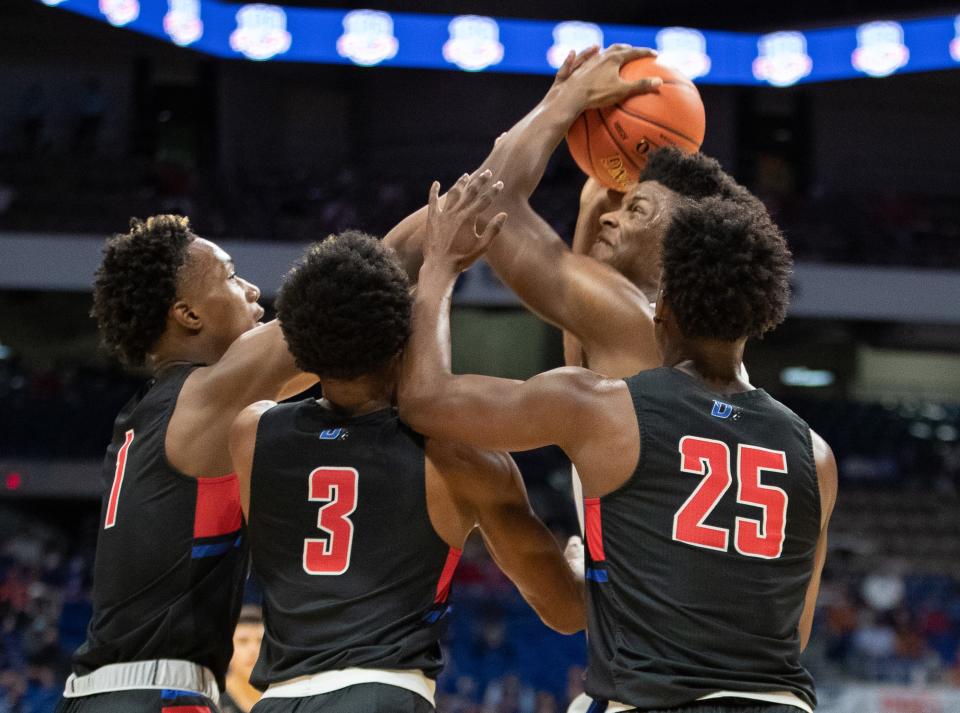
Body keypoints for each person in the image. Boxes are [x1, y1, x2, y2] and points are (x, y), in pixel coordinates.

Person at [398, 185, 837, 713]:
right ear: (758, 319)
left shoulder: (603, 408)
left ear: (663, 307)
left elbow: (425, 402)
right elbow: (796, 628)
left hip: (655, 700)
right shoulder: (816, 456)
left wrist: (439, 270)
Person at [228, 174, 585, 713]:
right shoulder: (459, 457)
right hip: (385, 694)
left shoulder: (250, 434)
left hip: (278, 700)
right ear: (403, 341)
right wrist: (438, 272)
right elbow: (565, 610)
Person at [58, 215, 315, 713]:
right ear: (188, 314)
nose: (251, 288)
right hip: (159, 692)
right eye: (231, 276)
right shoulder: (203, 398)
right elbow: (347, 293)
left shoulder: (153, 408)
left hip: (96, 694)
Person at [221, 605, 265, 713]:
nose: (254, 650)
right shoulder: (212, 700)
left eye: (261, 641)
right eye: (243, 641)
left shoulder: (284, 698)